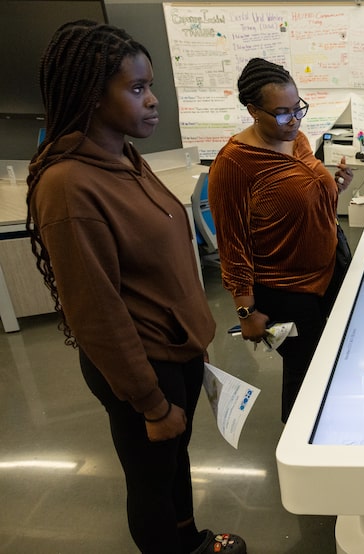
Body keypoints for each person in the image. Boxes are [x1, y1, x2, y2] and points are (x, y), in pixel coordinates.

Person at [26, 21, 245, 554]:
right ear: (90, 95)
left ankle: (189, 540)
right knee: (150, 478)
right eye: (136, 89)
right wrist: (150, 402)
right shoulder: (70, 184)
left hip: (175, 351)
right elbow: (94, 311)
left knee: (175, 460)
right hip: (142, 366)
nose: (152, 102)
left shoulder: (124, 156)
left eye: (151, 87)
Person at [208, 58, 353, 423]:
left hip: (328, 271)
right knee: (305, 370)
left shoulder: (297, 138)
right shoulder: (235, 164)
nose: (295, 121)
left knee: (332, 355)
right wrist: (246, 312)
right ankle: (299, 445)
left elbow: (298, 199)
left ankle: (326, 427)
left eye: (298, 108)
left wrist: (333, 187)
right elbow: (232, 244)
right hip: (285, 289)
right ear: (253, 110)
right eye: (283, 113)